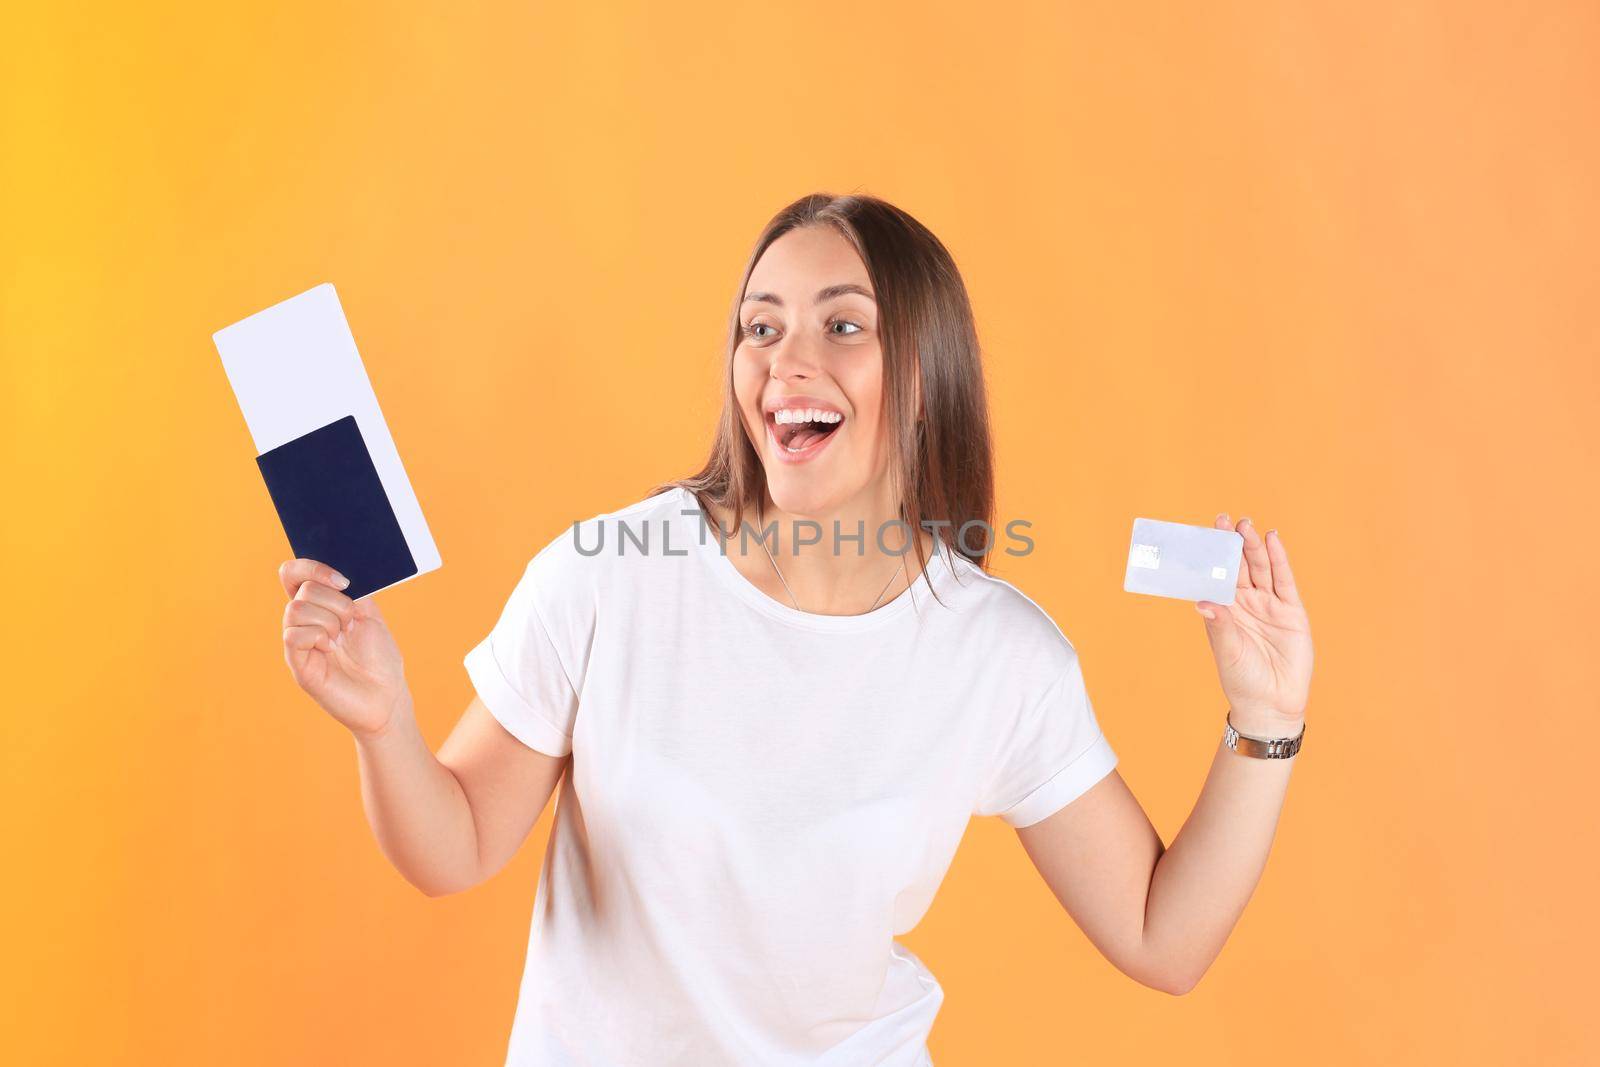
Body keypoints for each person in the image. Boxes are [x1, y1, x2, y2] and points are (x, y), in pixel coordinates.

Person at [276, 193, 1315, 1066]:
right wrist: (383, 720)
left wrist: (1264, 718)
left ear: (920, 379)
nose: (786, 360)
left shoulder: (996, 653)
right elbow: (450, 847)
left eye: (842, 324)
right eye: (760, 325)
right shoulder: (607, 576)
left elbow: (1160, 936)